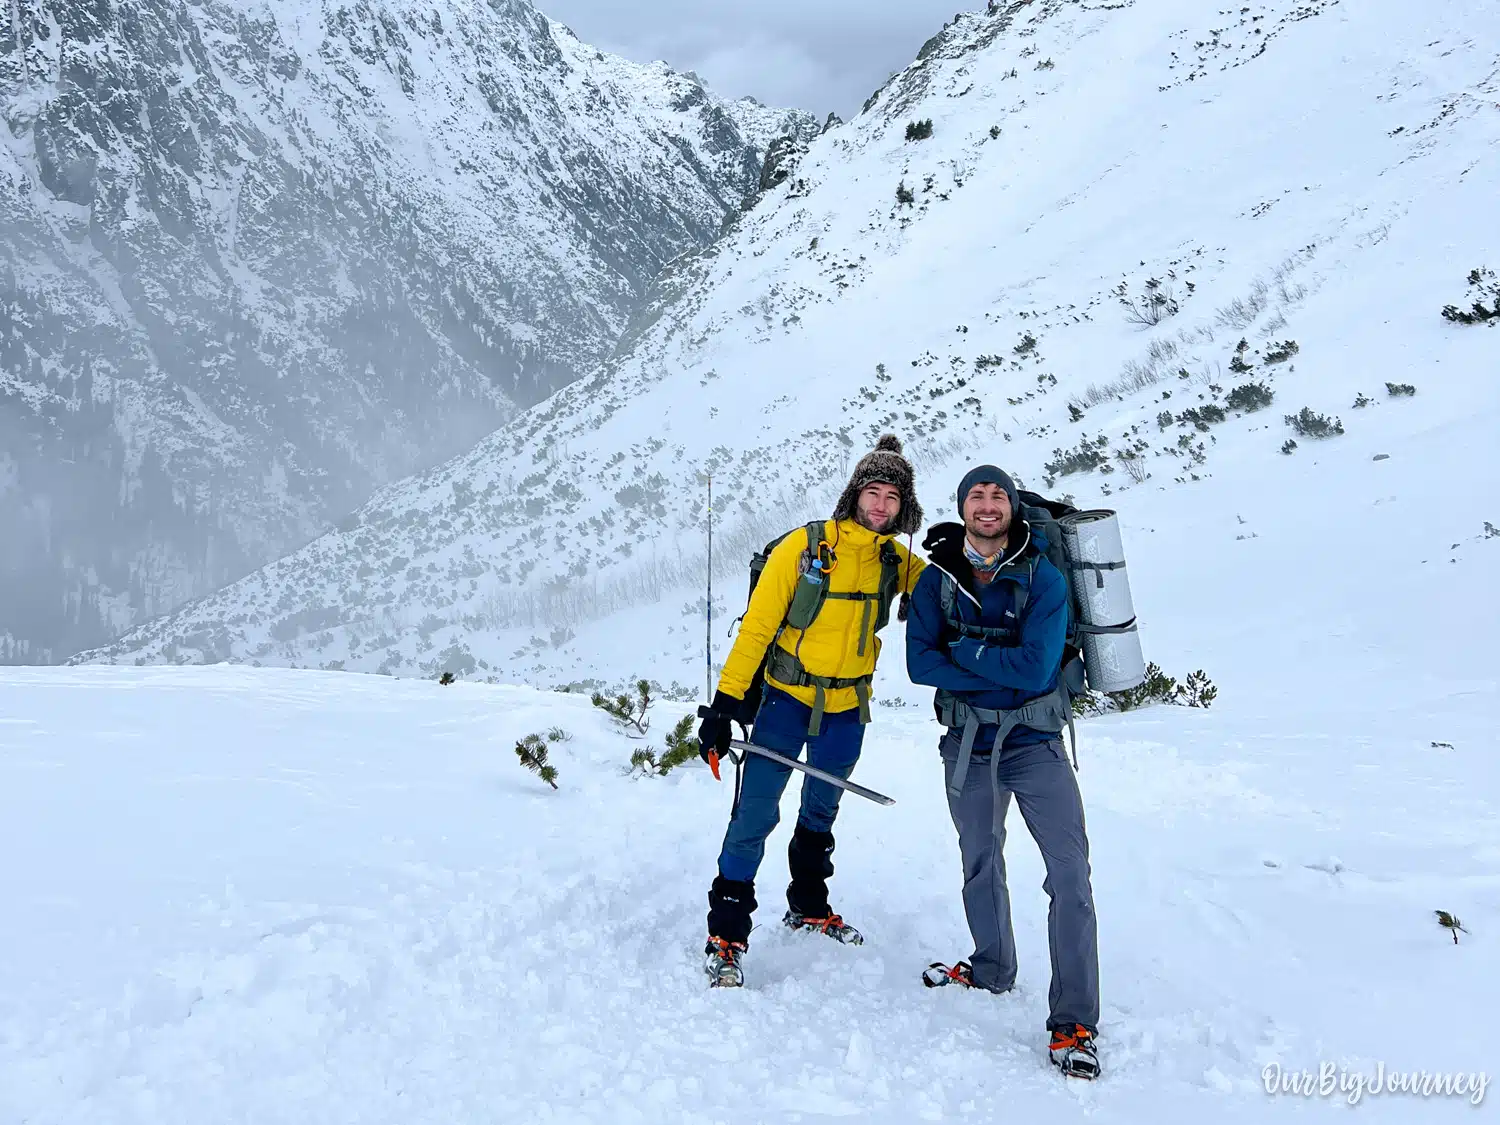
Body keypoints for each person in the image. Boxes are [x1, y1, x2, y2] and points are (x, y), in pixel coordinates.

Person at [696, 435, 926, 988]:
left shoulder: (897, 560)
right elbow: (756, 629)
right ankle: (726, 932)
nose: (881, 505)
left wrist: (962, 551)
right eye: (873, 491)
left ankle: (808, 905)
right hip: (786, 701)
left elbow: (950, 594)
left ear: (904, 507)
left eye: (893, 497)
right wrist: (725, 706)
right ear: (854, 494)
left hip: (849, 709)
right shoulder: (804, 548)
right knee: (755, 814)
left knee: (821, 812)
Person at [905, 465, 1101, 1080]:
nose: (987, 505)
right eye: (976, 495)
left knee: (1069, 874)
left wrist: (962, 651)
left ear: (1013, 508)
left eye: (997, 496)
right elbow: (917, 664)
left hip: (1035, 743)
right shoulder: (936, 578)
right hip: (968, 741)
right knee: (980, 861)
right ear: (962, 507)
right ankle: (991, 966)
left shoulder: (1043, 576)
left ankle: (1074, 1020)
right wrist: (998, 664)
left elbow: (1037, 670)